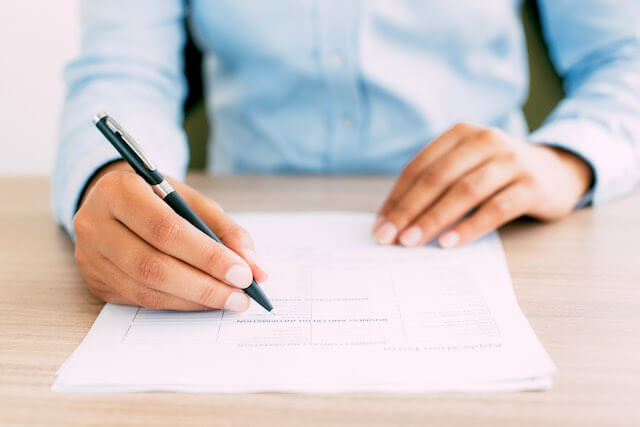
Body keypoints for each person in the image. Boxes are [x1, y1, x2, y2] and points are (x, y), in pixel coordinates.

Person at [53, 1, 640, 312]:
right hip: (237, 216)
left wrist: (569, 159)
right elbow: (124, 70)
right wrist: (102, 178)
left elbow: (625, 56)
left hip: (502, 232)